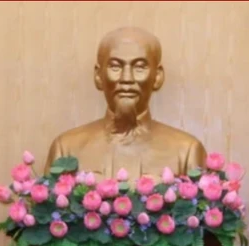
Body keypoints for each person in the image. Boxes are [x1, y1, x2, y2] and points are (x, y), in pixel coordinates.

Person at [45, 26, 207, 178]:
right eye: (115, 67)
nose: (126, 79)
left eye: (139, 67)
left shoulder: (186, 151)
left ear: (157, 76)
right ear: (98, 75)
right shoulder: (66, 148)